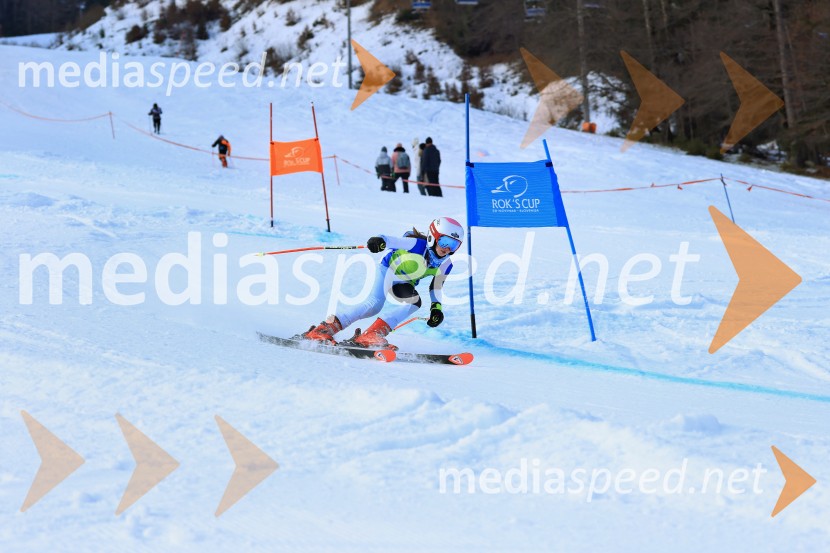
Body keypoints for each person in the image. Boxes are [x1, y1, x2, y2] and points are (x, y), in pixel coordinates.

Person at [301, 216, 465, 349]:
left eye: (454, 245)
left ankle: (371, 335)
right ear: (433, 237)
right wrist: (379, 241)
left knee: (415, 303)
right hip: (388, 271)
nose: (447, 249)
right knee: (374, 305)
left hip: (405, 283)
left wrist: (436, 309)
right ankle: (323, 329)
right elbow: (390, 240)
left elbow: (436, 288)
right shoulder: (416, 244)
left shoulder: (446, 264)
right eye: (445, 242)